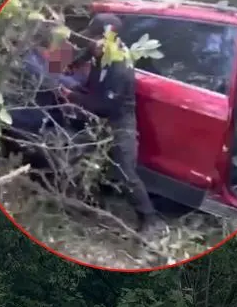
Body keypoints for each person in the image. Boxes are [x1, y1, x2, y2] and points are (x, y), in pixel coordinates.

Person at [60, 14, 161, 234]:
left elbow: (105, 106)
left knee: (125, 172)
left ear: (109, 39)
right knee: (78, 152)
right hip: (96, 102)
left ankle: (150, 220)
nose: (91, 44)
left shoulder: (121, 68)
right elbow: (86, 54)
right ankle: (87, 200)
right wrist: (73, 65)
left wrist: (72, 96)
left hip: (118, 118)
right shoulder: (100, 50)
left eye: (95, 40)